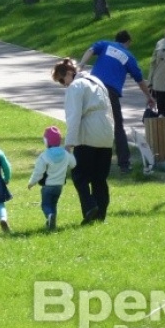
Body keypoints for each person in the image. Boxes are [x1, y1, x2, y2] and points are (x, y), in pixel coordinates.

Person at [78, 30, 155, 174]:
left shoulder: (106, 45)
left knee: (88, 120)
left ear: (116, 39)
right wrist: (149, 97)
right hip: (110, 91)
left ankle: (86, 159)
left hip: (92, 86)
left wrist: (81, 65)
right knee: (118, 126)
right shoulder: (128, 56)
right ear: (128, 42)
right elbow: (139, 80)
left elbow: (91, 49)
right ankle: (124, 164)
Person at [52, 58, 115, 225]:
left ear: (69, 73)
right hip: (106, 133)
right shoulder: (98, 82)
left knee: (79, 175)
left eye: (61, 79)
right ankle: (101, 214)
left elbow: (74, 117)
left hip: (88, 134)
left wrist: (68, 144)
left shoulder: (76, 87)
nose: (62, 84)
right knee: (99, 178)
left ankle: (89, 207)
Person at [27, 126, 76, 230]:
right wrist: (69, 152)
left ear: (46, 141)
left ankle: (49, 216)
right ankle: (51, 224)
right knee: (53, 204)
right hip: (59, 186)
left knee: (45, 205)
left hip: (47, 186)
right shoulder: (65, 154)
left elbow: (38, 172)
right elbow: (73, 164)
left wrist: (31, 182)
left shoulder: (44, 156)